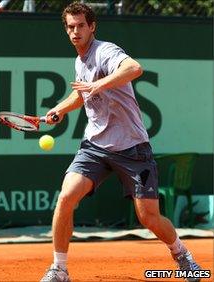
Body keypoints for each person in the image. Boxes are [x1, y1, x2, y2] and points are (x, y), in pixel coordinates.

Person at [40, 2, 201, 282]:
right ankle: (59, 269)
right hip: (95, 146)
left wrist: (98, 85)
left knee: (148, 217)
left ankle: (182, 255)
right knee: (65, 198)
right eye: (70, 27)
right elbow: (81, 95)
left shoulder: (105, 51)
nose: (75, 31)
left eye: (80, 26)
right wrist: (59, 110)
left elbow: (134, 68)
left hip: (132, 147)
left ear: (92, 27)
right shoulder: (80, 61)